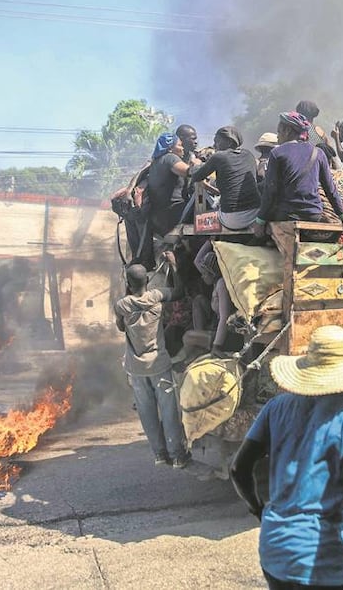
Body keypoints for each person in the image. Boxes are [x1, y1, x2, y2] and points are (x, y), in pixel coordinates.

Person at [230, 325, 343, 589]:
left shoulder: (275, 407)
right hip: (321, 558)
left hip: (274, 550)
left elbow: (239, 469)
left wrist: (259, 509)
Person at [113, 255, 191, 469]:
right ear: (147, 281)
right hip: (158, 364)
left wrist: (126, 290)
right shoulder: (156, 297)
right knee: (168, 410)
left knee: (146, 412)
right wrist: (174, 266)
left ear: (128, 284)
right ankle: (177, 455)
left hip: (136, 368)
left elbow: (121, 327)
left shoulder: (121, 305)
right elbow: (179, 291)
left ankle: (159, 454)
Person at [254, 112, 343, 236]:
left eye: (279, 131)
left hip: (287, 215)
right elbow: (331, 190)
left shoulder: (277, 153)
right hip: (314, 214)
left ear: (287, 130)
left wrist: (260, 221)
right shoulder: (319, 153)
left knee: (261, 235)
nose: (278, 136)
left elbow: (270, 191)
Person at [190, 126, 261, 230]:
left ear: (228, 142)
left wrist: (196, 165)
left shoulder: (219, 156)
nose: (214, 145)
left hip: (232, 218)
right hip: (255, 213)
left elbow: (196, 177)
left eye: (217, 141)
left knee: (200, 222)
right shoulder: (249, 155)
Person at [147, 133, 196, 237]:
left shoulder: (156, 162)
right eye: (179, 145)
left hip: (159, 213)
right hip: (174, 211)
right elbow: (189, 172)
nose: (182, 148)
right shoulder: (170, 158)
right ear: (170, 148)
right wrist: (199, 164)